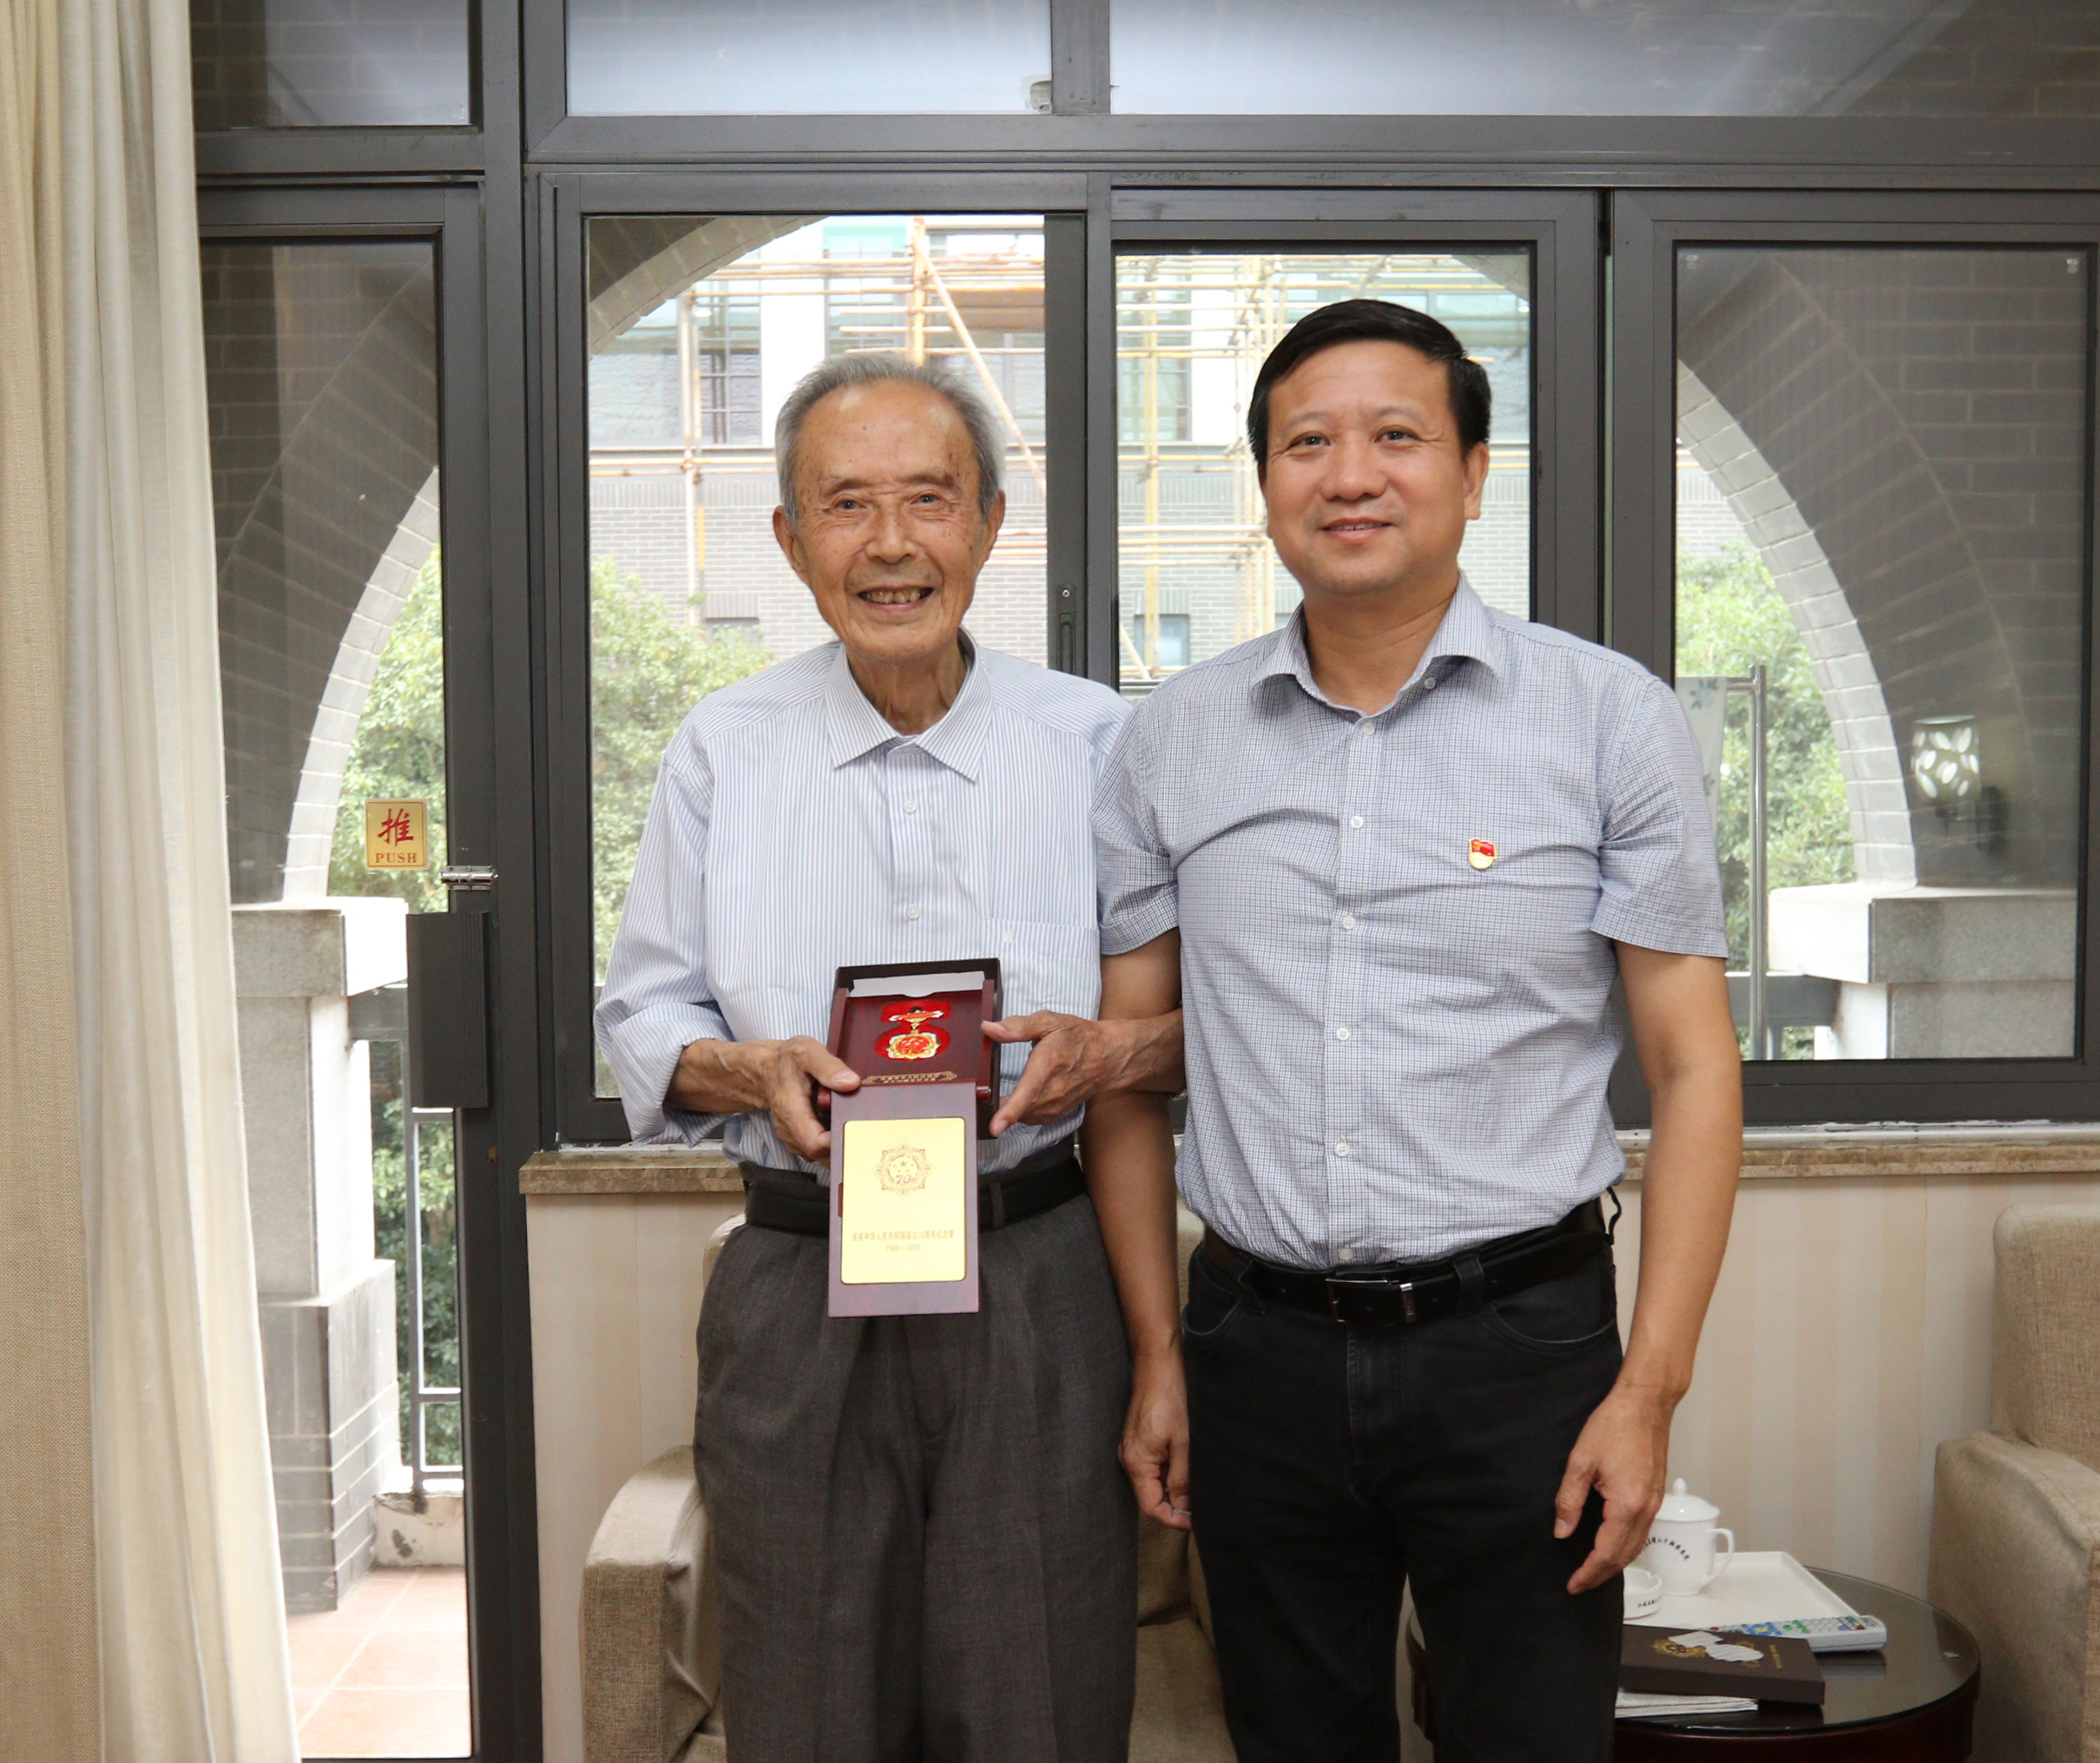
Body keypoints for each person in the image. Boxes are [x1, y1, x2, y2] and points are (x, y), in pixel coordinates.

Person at [1089, 299, 1745, 1763]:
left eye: (1396, 436)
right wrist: (1157, 1353)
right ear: (1267, 482)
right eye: (1306, 444)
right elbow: (1126, 1080)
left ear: (1474, 472)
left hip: (1521, 1348)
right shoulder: (1172, 740)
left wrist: (1648, 1391)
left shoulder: (1607, 720)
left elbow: (1696, 1068)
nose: (1350, 476)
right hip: (1257, 1349)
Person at [595, 352, 1186, 1763]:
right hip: (799, 1275)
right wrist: (749, 1071)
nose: (892, 544)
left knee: (1043, 1697)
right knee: (803, 1701)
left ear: (989, 522)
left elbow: (1197, 1031)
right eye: (846, 505)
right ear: (790, 539)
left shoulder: (1098, 743)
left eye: (928, 498)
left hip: (1040, 1270)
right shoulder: (723, 750)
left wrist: (1112, 1051)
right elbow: (643, 1020)